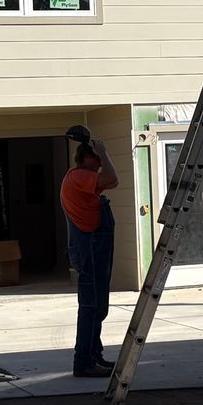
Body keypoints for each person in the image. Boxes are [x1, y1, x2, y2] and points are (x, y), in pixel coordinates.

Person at [60, 125, 119, 377]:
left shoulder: (84, 180)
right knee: (90, 306)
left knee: (98, 306)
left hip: (93, 247)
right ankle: (83, 361)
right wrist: (103, 152)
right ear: (86, 158)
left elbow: (107, 181)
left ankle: (94, 355)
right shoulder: (78, 176)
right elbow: (112, 179)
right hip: (88, 248)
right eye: (96, 160)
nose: (99, 165)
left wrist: (101, 152)